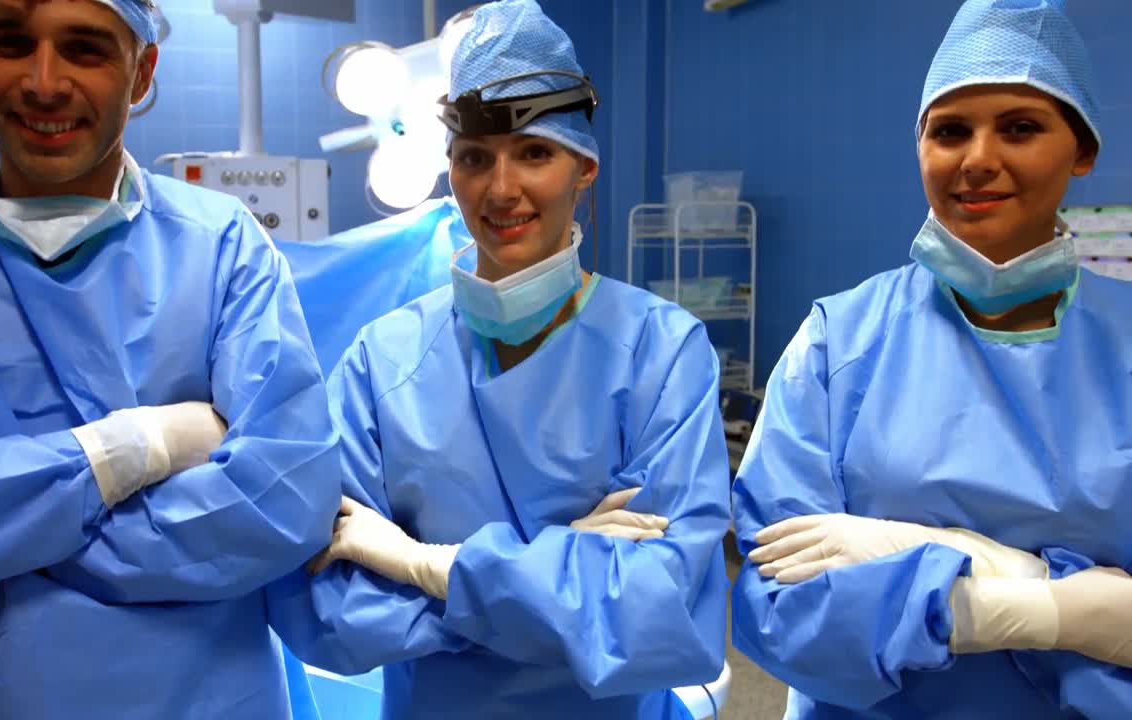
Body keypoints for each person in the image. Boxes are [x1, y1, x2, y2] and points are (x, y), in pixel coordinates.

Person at [0, 1, 339, 718]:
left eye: (85, 49)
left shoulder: (220, 245)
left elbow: (283, 504)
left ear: (142, 70)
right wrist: (134, 451)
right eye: (11, 42)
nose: (44, 83)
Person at [267, 2, 731, 718]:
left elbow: (660, 612)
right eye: (474, 157)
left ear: (585, 169)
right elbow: (327, 610)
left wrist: (424, 565)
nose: (501, 188)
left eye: (534, 153)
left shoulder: (661, 355)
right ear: (448, 168)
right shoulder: (381, 364)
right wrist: (563, 576)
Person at [730, 0, 1132, 717]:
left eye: (1020, 127)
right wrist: (1061, 605)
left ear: (1083, 148)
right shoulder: (838, 344)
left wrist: (919, 572)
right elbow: (773, 604)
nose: (979, 159)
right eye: (950, 131)